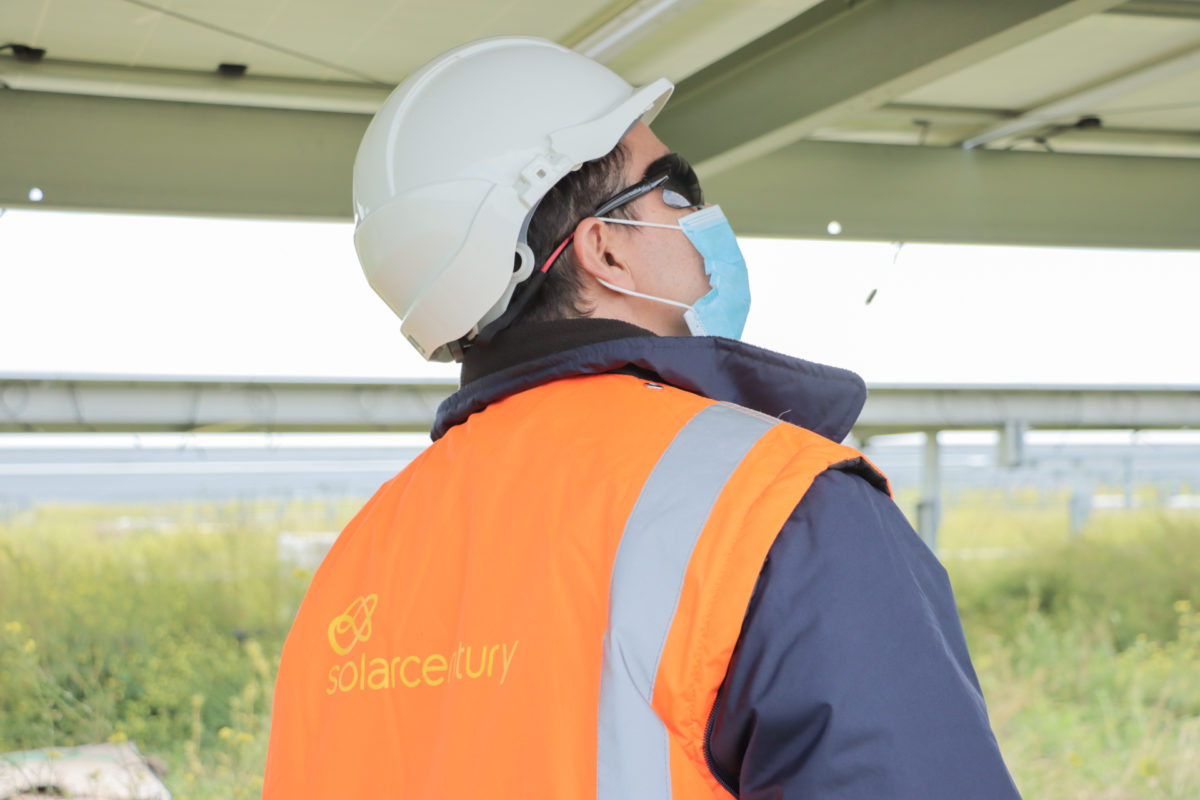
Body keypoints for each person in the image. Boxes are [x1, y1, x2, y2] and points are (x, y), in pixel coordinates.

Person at [263, 36, 1021, 799]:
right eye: (676, 190)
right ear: (603, 251)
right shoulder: (778, 507)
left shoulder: (362, 554)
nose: (703, 217)